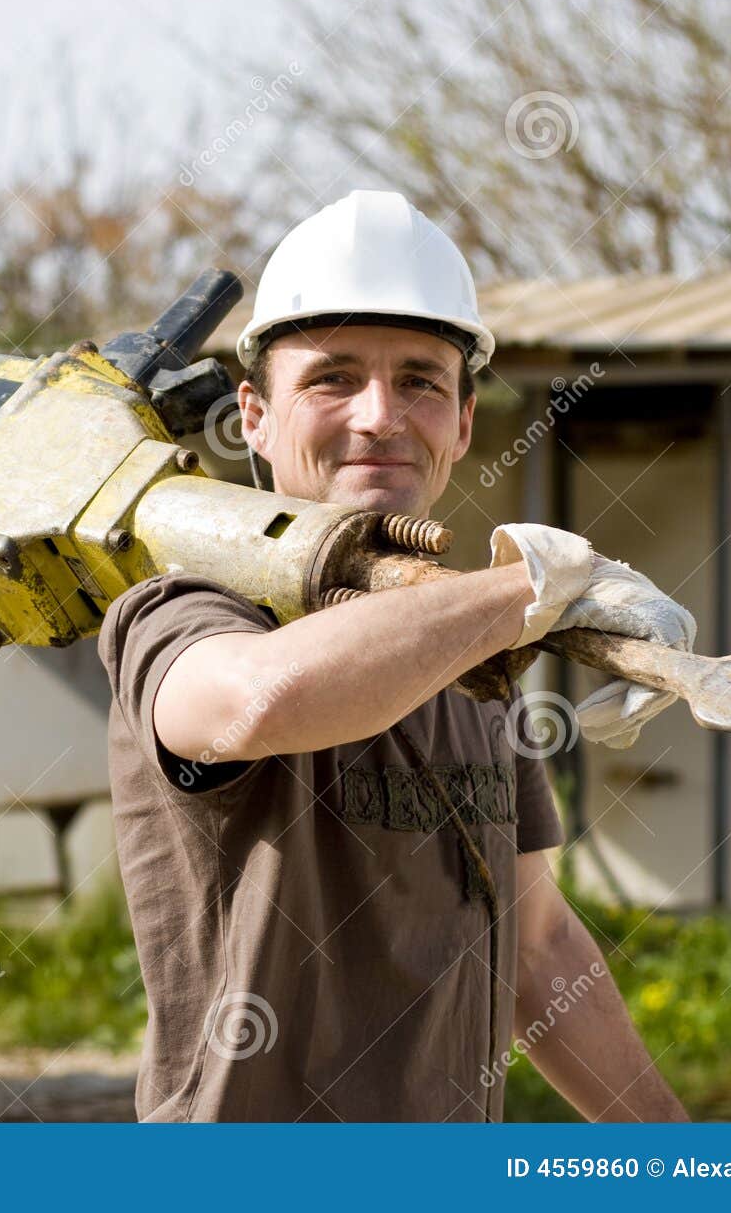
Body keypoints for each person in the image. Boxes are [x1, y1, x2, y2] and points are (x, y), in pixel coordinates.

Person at [96, 189, 693, 1122]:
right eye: (332, 376)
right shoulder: (180, 611)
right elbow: (255, 702)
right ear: (253, 415)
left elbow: (536, 947)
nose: (380, 414)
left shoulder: (474, 654)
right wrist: (529, 590)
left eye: (421, 379)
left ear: (460, 421)